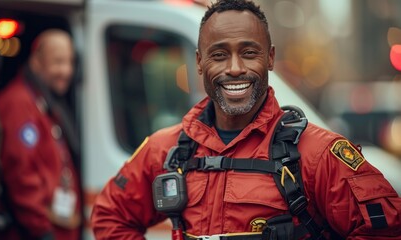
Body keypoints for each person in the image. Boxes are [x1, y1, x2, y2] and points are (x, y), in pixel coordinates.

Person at [91, 0, 401, 239]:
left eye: (249, 53)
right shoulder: (166, 149)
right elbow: (110, 215)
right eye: (219, 54)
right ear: (199, 62)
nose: (235, 68)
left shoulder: (318, 154)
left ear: (270, 58)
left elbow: (388, 230)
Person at [0, 29, 82, 240]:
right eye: (58, 62)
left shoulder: (43, 102)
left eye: (69, 62)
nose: (66, 71)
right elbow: (20, 173)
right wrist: (42, 231)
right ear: (36, 62)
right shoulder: (19, 103)